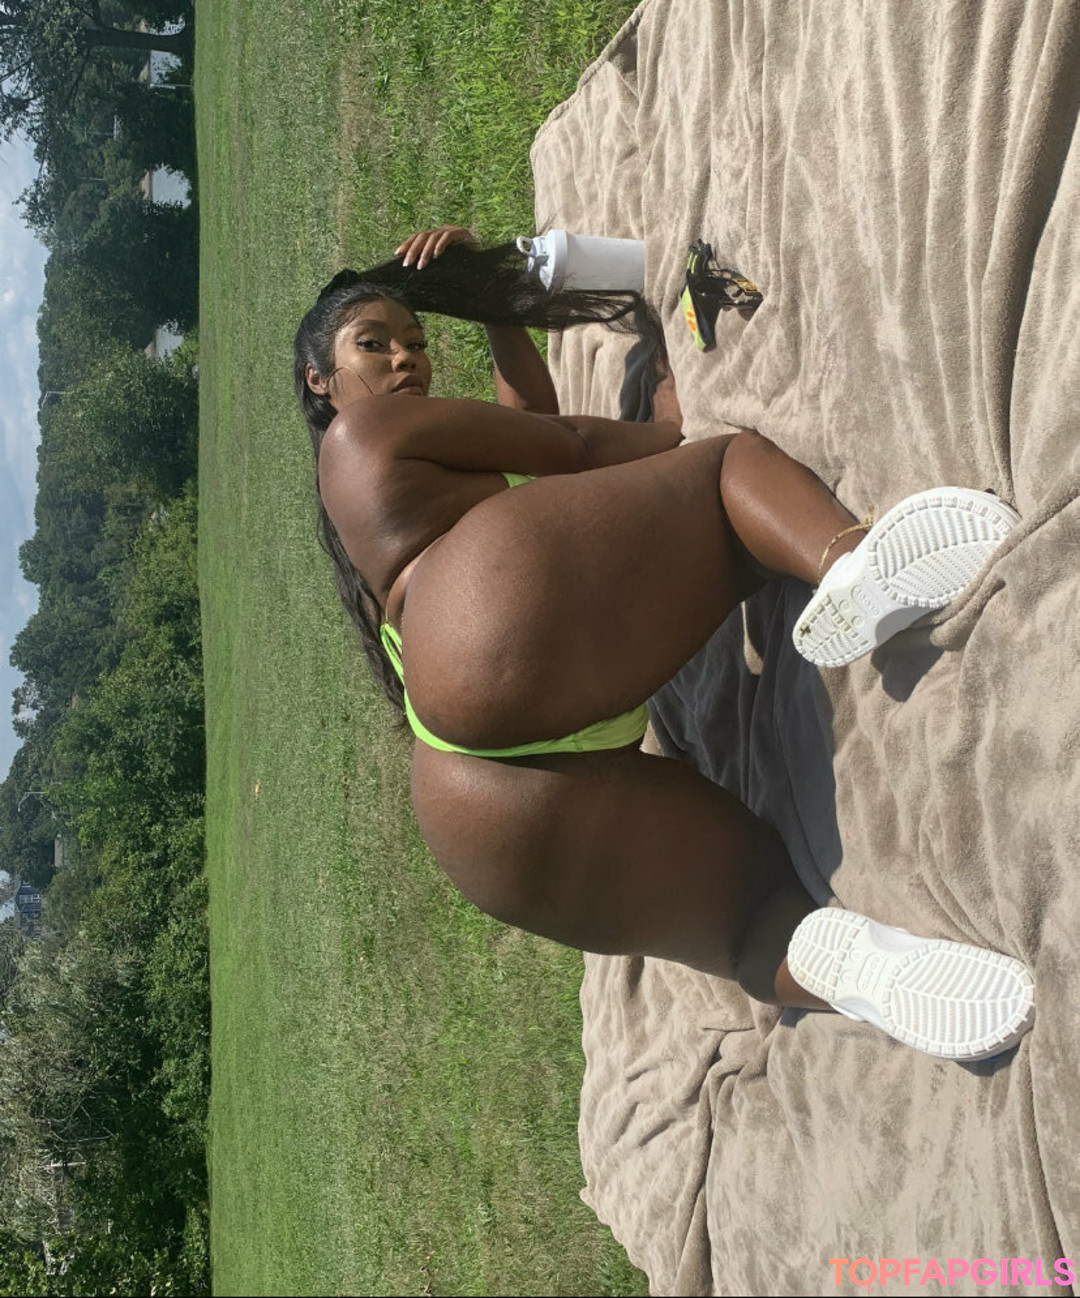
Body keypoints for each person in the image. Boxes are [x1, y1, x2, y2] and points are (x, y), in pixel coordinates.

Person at [293, 225, 1034, 1062]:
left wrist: (494, 306)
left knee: (748, 919)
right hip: (488, 632)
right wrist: (666, 428)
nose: (406, 358)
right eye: (374, 344)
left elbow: (524, 428)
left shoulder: (368, 534)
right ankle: (851, 567)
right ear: (320, 379)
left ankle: (850, 967)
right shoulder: (362, 437)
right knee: (728, 476)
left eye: (417, 341)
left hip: (472, 801)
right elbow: (571, 447)